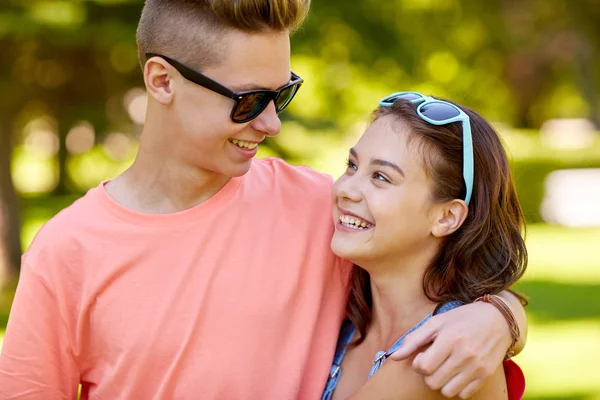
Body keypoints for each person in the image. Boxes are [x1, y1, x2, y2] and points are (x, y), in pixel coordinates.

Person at [0, 2, 527, 399]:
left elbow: (438, 260)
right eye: (249, 100)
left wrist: (496, 316)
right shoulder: (65, 251)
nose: (271, 123)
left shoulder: (323, 211)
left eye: (282, 94)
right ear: (162, 81)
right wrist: (501, 319)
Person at [321, 93, 528, 400]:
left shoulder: (442, 355)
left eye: (380, 176)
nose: (344, 189)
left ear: (446, 217)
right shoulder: (348, 322)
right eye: (352, 165)